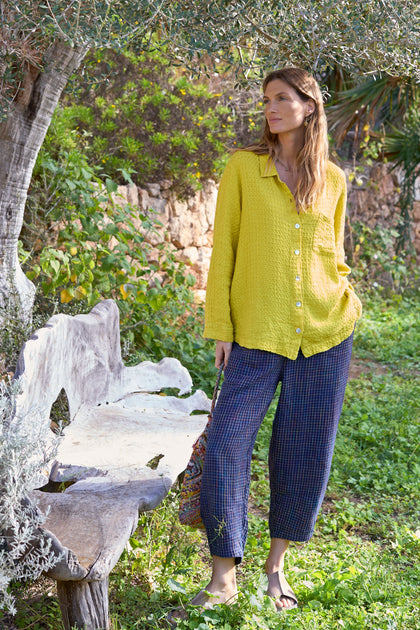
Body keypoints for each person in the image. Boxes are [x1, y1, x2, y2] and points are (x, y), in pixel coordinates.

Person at [185, 67, 362, 616]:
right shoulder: (243, 168)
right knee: (228, 446)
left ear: (309, 107)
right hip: (255, 335)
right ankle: (223, 576)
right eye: (267, 100)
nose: (272, 108)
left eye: (283, 99)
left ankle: (275, 568)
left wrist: (346, 297)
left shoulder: (333, 180)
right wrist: (220, 327)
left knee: (303, 451)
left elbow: (332, 254)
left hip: (325, 333)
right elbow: (224, 254)